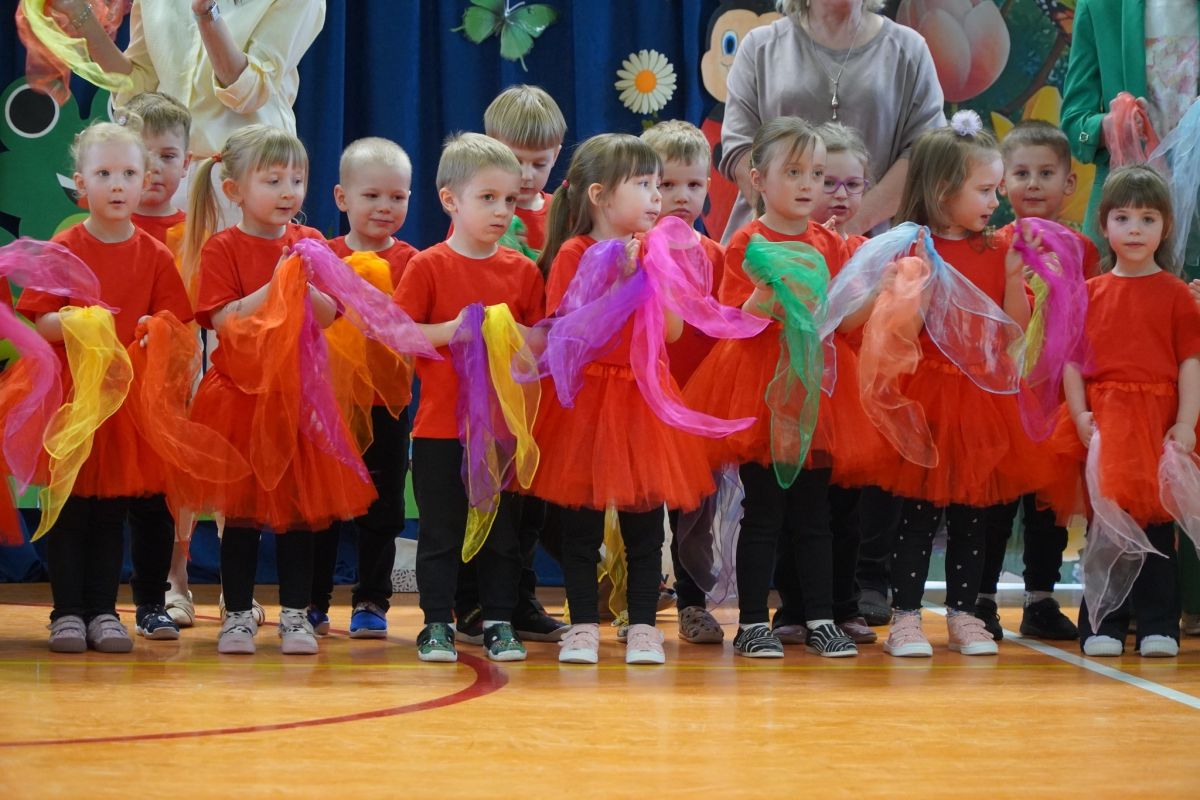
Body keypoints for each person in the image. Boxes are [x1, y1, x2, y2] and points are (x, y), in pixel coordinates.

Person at [684, 117, 875, 658]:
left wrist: (882, 285)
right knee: (764, 512)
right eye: (794, 172)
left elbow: (845, 320)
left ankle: (820, 618)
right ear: (758, 179)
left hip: (817, 389)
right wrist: (770, 290)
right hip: (760, 387)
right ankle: (751, 622)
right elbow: (737, 318)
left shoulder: (830, 243)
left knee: (815, 515)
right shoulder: (747, 240)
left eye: (816, 173)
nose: (809, 184)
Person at [872, 113, 1054, 658]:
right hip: (928, 395)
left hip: (981, 399)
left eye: (997, 189)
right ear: (942, 189)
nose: (996, 201)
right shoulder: (912, 247)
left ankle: (964, 613)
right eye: (984, 189)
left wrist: (1017, 274)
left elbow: (1014, 329)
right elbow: (901, 333)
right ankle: (906, 618)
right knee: (918, 516)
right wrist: (913, 290)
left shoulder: (997, 250)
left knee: (974, 515)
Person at [529, 134, 714, 666]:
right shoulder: (574, 252)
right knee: (582, 527)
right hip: (588, 398)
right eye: (644, 184)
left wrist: (653, 279)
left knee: (644, 526)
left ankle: (643, 626)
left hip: (643, 397)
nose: (657, 196)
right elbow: (571, 331)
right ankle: (583, 625)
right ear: (600, 195)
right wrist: (622, 283)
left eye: (658, 185)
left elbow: (672, 332)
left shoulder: (654, 251)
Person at [188, 125, 366, 656]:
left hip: (299, 399)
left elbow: (330, 315)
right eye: (273, 181)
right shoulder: (222, 248)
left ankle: (295, 615)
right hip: (240, 398)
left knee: (298, 517)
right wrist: (277, 283)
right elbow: (224, 319)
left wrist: (304, 282)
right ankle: (238, 615)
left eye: (297, 179)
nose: (289, 191)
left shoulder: (310, 242)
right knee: (241, 518)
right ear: (235, 190)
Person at [17, 114, 193, 652]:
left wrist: (154, 331)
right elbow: (41, 322)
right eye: (104, 174)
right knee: (71, 508)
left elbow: (176, 325)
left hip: (127, 406)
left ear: (144, 181)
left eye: (128, 174)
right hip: (73, 401)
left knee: (112, 511)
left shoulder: (154, 255)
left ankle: (103, 611)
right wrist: (78, 321)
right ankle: (67, 612)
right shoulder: (65, 245)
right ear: (81, 182)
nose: (117, 185)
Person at [393, 133, 545, 664]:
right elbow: (400, 333)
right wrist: (452, 330)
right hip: (439, 430)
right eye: (488, 198)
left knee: (502, 535)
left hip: (502, 430)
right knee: (441, 532)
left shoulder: (522, 270)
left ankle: (499, 621)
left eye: (510, 200)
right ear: (450, 200)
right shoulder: (428, 266)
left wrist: (513, 335)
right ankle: (436, 623)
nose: (503, 211)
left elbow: (541, 343)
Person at [1051, 165, 1200, 657]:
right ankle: (1102, 624)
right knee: (1107, 524)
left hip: (1158, 423)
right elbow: (1072, 362)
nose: (1135, 230)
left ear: (1166, 227)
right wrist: (1079, 414)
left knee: (1157, 523)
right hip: (1108, 423)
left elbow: (1190, 362)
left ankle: (1159, 625)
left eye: (1147, 219)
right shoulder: (1089, 293)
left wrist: (1185, 421)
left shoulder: (1177, 295)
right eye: (1123, 218)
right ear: (1105, 224)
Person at [972, 120, 1101, 643]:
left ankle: (1041, 599)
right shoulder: (993, 243)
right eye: (1021, 173)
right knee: (997, 503)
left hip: (1055, 399)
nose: (1033, 184)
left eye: (1046, 173)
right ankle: (981, 599)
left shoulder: (1084, 248)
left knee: (1049, 506)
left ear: (1069, 183)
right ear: (1002, 182)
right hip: (1005, 394)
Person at [454, 86, 569, 646]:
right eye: (513, 159)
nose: (525, 176)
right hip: (486, 385)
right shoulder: (477, 208)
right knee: (485, 494)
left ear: (558, 156)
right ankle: (473, 602)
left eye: (538, 163)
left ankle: (519, 600)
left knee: (531, 501)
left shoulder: (562, 213)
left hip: (543, 382)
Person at [768, 121, 883, 646]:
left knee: (845, 508)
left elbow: (857, 322)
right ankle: (794, 606)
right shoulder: (792, 243)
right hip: (795, 382)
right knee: (794, 504)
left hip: (845, 392)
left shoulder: (862, 248)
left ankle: (844, 604)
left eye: (851, 184)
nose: (837, 194)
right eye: (826, 181)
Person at [307, 137, 417, 639]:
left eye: (397, 196)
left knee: (383, 506)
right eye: (371, 195)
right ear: (341, 197)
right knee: (324, 505)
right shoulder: (322, 257)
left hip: (386, 404)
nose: (384, 206)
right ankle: (313, 600)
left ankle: (372, 599)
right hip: (328, 403)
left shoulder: (413, 261)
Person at [719, 0, 944, 241]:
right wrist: (789, 227)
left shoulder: (910, 49)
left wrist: (847, 229)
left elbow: (924, 153)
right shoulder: (759, 46)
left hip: (873, 248)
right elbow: (740, 147)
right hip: (768, 245)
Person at [639, 119, 730, 645]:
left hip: (699, 405)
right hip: (642, 402)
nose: (680, 197)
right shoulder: (631, 250)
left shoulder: (715, 256)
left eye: (693, 185)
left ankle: (694, 603)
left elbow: (727, 329)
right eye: (665, 184)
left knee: (696, 511)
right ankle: (637, 602)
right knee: (641, 508)